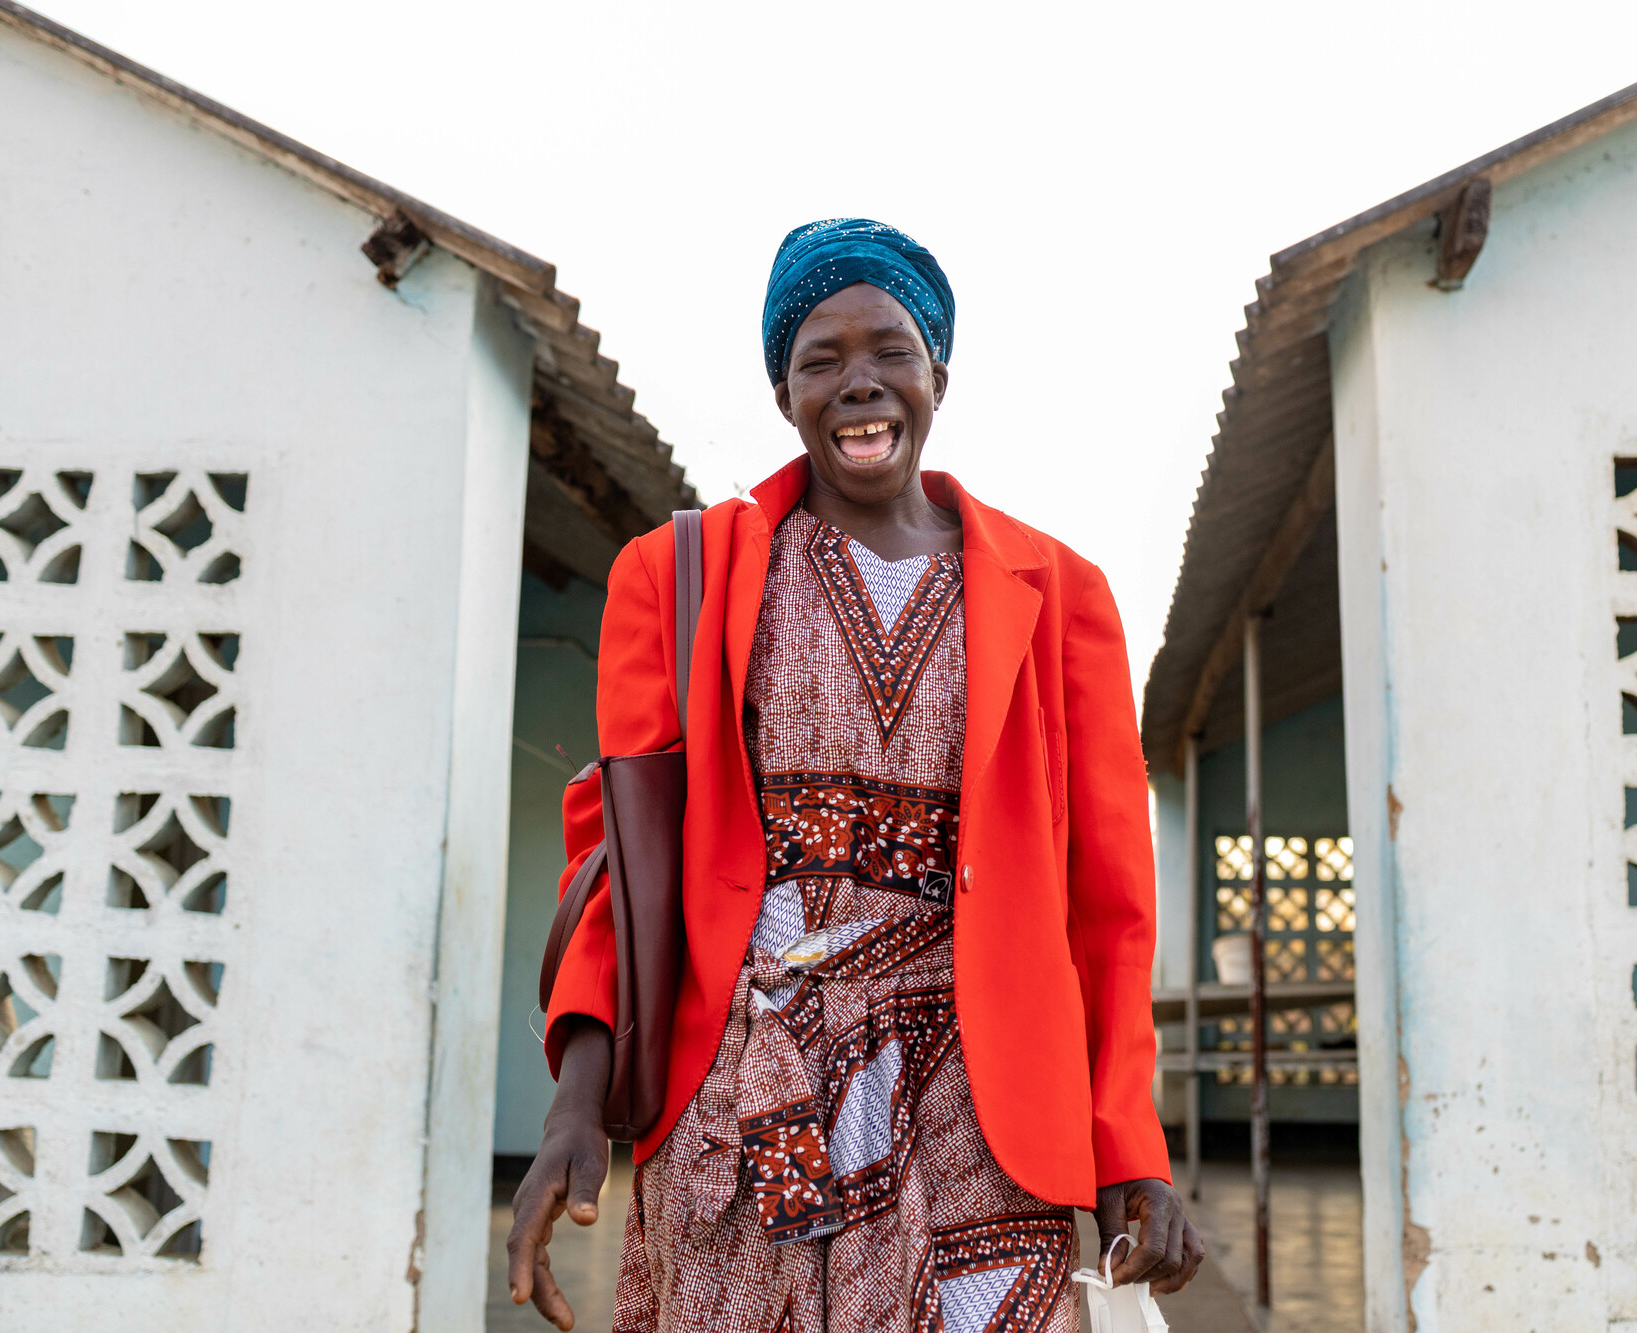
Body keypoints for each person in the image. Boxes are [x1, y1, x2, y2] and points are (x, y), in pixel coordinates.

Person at [507, 218, 1203, 1332]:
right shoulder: (677, 577)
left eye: (890, 351)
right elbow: (615, 863)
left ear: (939, 375)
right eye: (819, 359)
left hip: (983, 1118)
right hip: (746, 1101)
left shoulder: (1060, 595)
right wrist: (573, 1105)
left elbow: (1108, 906)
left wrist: (1129, 1145)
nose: (858, 384)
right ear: (783, 391)